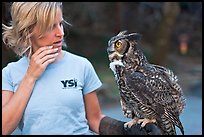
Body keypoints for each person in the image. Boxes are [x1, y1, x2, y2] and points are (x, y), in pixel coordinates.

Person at [2, 2, 162, 135]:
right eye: (51, 27)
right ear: (28, 30)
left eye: (60, 24)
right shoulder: (10, 74)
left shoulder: (80, 65)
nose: (61, 33)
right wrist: (30, 77)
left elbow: (94, 119)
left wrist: (125, 130)